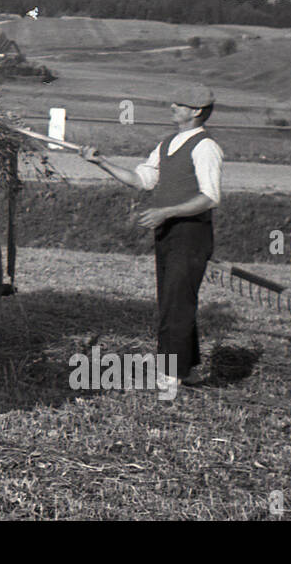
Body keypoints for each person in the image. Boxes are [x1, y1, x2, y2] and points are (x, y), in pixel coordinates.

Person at [79, 84, 223, 399]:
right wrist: (101, 162)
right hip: (168, 232)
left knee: (176, 303)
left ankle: (168, 380)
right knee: (173, 301)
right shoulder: (167, 144)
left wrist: (166, 212)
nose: (172, 105)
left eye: (180, 103)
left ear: (196, 111)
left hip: (191, 233)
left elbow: (210, 197)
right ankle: (188, 368)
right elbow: (142, 180)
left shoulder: (206, 147)